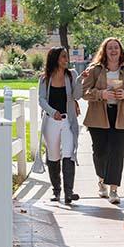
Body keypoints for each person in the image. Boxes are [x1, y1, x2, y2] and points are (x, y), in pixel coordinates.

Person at [82, 38, 124, 204]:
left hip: (121, 117)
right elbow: (84, 91)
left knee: (117, 152)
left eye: (116, 47)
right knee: (100, 152)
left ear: (121, 50)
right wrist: (100, 94)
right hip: (98, 117)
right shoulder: (95, 70)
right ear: (105, 51)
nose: (113, 50)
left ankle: (114, 190)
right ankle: (101, 180)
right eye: (110, 48)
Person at [38, 47, 84, 204]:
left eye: (67, 56)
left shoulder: (72, 75)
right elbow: (41, 99)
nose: (67, 59)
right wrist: (52, 112)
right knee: (53, 156)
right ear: (55, 59)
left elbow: (77, 95)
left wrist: (80, 81)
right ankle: (56, 191)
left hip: (68, 121)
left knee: (69, 153)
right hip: (51, 122)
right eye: (63, 57)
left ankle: (68, 193)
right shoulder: (45, 78)